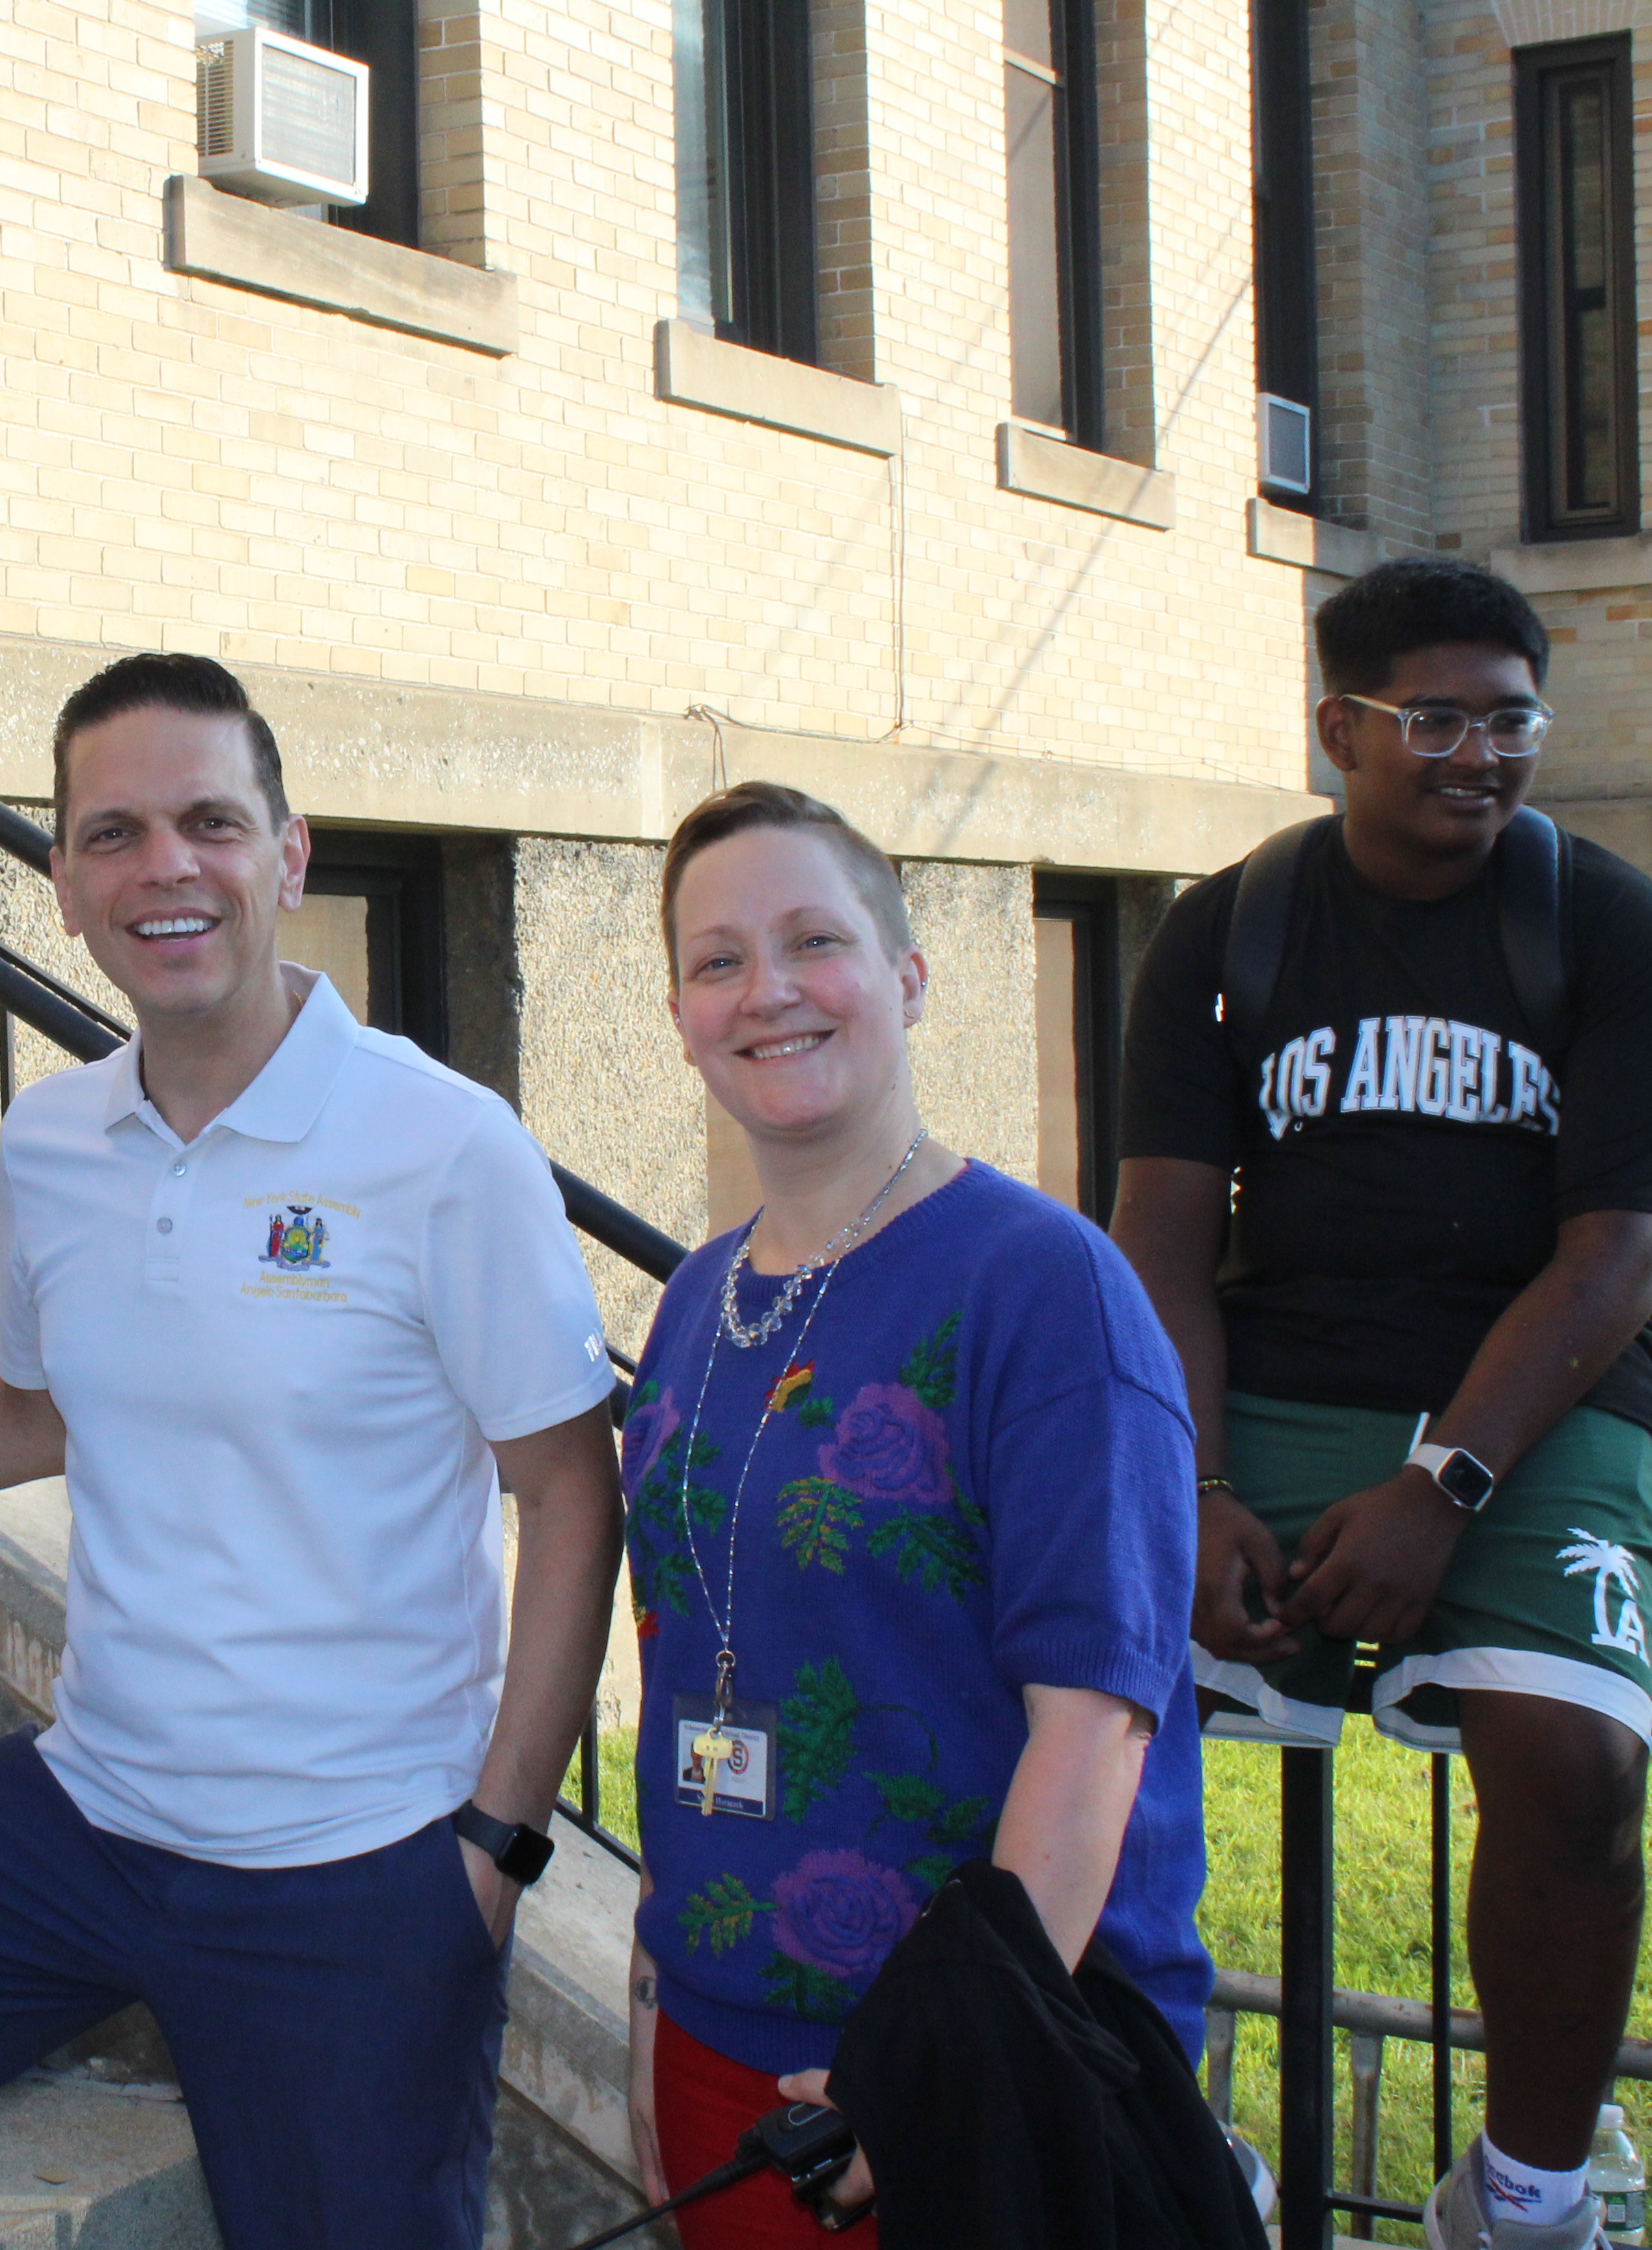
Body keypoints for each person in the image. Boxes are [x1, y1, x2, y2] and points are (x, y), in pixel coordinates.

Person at [0, 652, 624, 2249]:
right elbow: (38, 1409)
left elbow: (571, 1493)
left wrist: (496, 1845)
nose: (167, 867)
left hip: (353, 1867)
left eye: (211, 821)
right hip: (90, 1814)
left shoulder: (444, 1147)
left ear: (287, 857)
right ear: (66, 884)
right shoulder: (53, 1141)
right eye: (114, 833)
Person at [1110, 557, 1652, 2250]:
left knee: (1578, 1760)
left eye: (1511, 718)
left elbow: (1615, 1263)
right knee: (1085, 1691)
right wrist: (1198, 1482)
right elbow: (1160, 1221)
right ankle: (1160, 2128)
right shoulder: (1229, 928)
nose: (1481, 754)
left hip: (1544, 1397)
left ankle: (1525, 2195)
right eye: (1433, 718)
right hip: (1284, 1375)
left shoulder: (1610, 927)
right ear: (1336, 731)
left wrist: (1442, 1483)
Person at [622, 781, 1213, 2247]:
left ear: (909, 974)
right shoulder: (703, 1293)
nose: (766, 992)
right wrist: (652, 1995)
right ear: (684, 1011)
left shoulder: (1044, 1287)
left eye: (814, 940)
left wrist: (932, 2073)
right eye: (717, 961)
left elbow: (1097, 1726)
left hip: (981, 2074)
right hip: (721, 2041)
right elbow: (691, 1649)